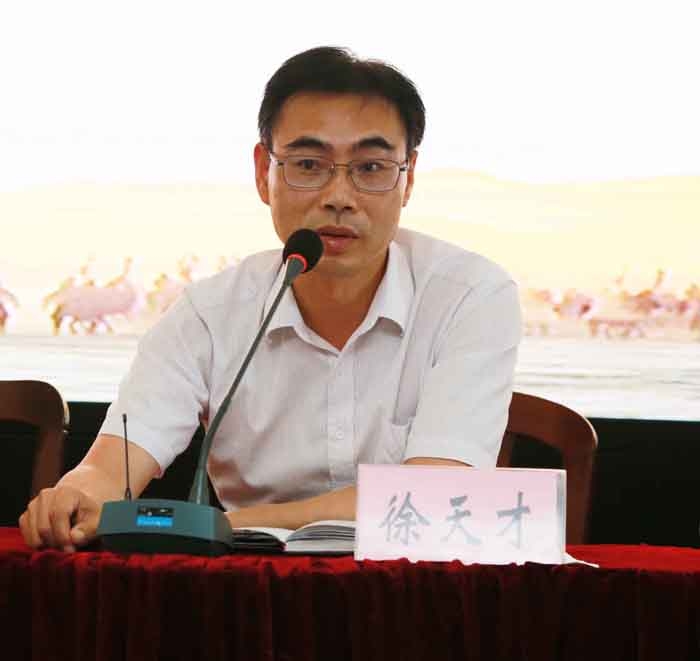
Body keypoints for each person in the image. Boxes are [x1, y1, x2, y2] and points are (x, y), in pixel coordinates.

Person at [19, 46, 522, 552]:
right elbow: (112, 465)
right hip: (246, 584)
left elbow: (434, 496)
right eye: (308, 164)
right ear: (264, 173)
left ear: (407, 177)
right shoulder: (209, 314)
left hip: (411, 584)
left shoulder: (470, 297)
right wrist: (80, 494)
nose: (339, 196)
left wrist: (227, 523)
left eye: (371, 167)